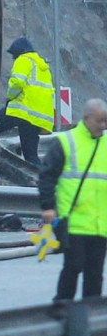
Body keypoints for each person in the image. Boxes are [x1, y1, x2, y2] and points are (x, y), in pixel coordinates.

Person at [39, 98, 107, 301]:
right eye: (99, 121)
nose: (103, 126)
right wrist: (48, 206)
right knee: (74, 266)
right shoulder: (67, 142)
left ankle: (91, 319)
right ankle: (62, 307)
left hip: (100, 223)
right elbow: (47, 176)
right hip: (73, 221)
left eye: (106, 121)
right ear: (86, 119)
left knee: (95, 274)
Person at [0, 37, 54, 166]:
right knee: (31, 155)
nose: (13, 59)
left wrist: (10, 97)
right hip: (36, 117)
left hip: (21, 111)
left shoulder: (23, 60)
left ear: (18, 53)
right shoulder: (42, 67)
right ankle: (41, 180)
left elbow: (17, 82)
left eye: (14, 56)